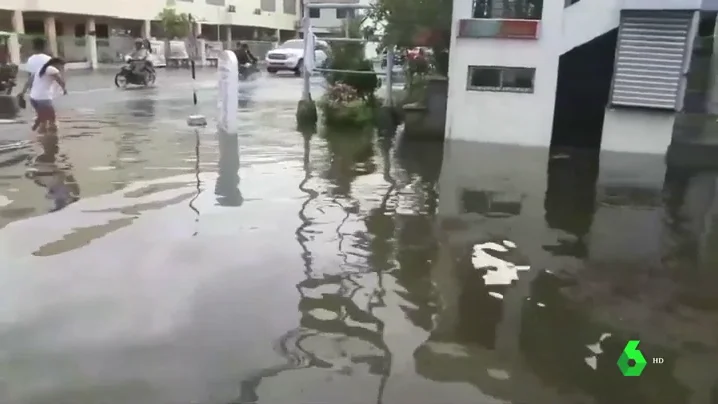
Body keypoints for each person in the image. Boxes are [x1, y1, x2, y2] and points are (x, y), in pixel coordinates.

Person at [18, 38, 51, 128]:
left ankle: (40, 135)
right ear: (45, 47)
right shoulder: (49, 59)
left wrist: (23, 92)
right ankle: (45, 138)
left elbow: (30, 78)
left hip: (34, 94)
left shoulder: (30, 60)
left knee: (41, 116)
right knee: (50, 119)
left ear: (34, 47)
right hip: (46, 93)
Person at [28, 57, 67, 134]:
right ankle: (52, 139)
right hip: (43, 99)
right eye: (61, 66)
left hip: (33, 98)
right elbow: (61, 81)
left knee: (43, 119)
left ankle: (40, 136)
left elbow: (29, 82)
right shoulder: (52, 69)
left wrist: (23, 92)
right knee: (52, 120)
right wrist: (64, 90)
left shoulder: (40, 68)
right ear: (56, 64)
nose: (62, 68)